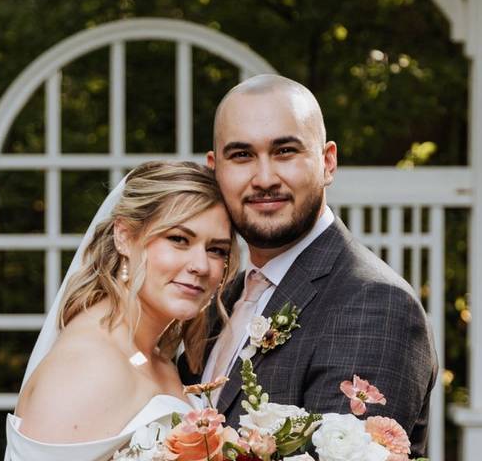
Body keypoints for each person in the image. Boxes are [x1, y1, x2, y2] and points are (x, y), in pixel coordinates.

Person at [184, 74, 438, 457]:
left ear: (327, 161)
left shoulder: (375, 304)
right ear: (214, 169)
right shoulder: (219, 300)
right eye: (241, 155)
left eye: (285, 151)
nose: (265, 178)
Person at [5, 161, 240, 461]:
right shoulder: (89, 365)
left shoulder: (148, 356)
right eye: (179, 239)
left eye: (216, 249)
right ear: (125, 237)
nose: (201, 265)